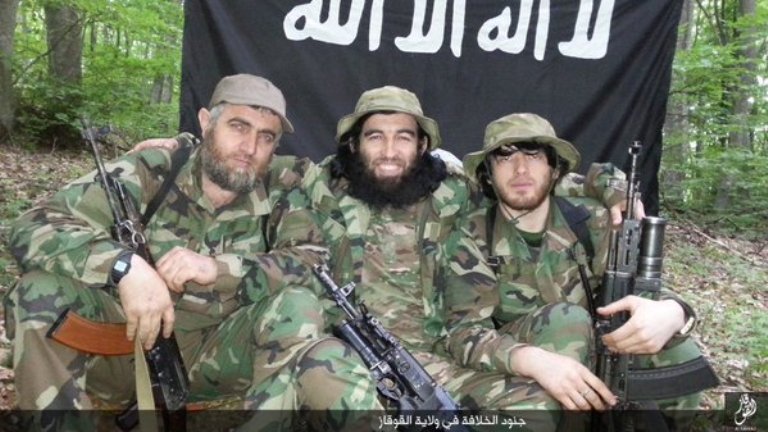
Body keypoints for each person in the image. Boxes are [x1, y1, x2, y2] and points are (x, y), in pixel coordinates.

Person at [239, 86, 636, 432]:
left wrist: (614, 186)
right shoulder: (316, 186)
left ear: (422, 145)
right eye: (375, 136)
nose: (389, 151)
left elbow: (531, 180)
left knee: (536, 406)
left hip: (434, 362)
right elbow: (245, 162)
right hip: (347, 359)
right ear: (354, 145)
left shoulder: (454, 191)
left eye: (403, 137)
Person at [5, 74, 328, 430]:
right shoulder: (154, 170)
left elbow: (312, 263)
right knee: (37, 290)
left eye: (266, 137)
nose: (250, 148)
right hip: (122, 341)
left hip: (218, 355)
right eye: (238, 127)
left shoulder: (281, 190)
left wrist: (220, 270)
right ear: (206, 122)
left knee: (298, 303)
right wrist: (124, 267)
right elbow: (33, 225)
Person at [460, 113, 705, 428]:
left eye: (533, 155)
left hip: (602, 344)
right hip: (522, 362)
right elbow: (463, 332)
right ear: (488, 175)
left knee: (679, 353)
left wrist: (675, 311)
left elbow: (639, 288)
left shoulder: (590, 219)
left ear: (554, 169)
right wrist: (528, 359)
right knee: (566, 319)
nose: (520, 168)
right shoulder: (472, 234)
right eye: (504, 157)